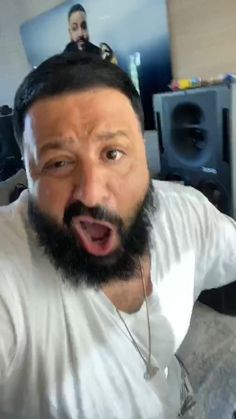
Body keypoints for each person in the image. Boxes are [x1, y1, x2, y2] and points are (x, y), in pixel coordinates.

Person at [0, 52, 236, 419]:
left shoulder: (186, 213)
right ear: (28, 179)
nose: (92, 193)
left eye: (112, 153)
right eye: (58, 163)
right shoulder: (8, 265)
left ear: (144, 154)